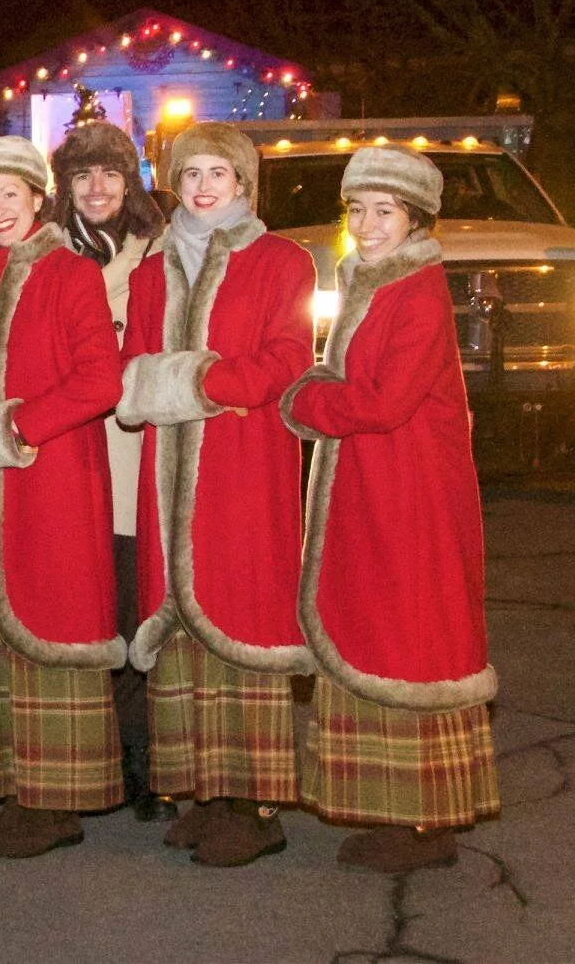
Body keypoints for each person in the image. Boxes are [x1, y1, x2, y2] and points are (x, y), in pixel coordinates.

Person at [281, 146, 499, 872]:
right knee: (381, 628)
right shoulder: (372, 280)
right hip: (375, 484)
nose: (366, 225)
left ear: (414, 221)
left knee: (407, 633)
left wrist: (304, 394)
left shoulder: (417, 289)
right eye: (357, 210)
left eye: (384, 212)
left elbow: (383, 401)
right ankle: (396, 809)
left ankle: (425, 820)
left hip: (408, 494)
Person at [115, 122, 316, 868]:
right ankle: (200, 789)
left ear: (243, 184)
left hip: (242, 467)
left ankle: (252, 804)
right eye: (189, 173)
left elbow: (286, 359)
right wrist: (163, 385)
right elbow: (130, 368)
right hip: (166, 473)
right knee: (178, 626)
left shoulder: (280, 261)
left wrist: (193, 382)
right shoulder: (151, 269)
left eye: (217, 175)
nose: (201, 187)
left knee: (243, 615)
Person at [0, 137, 126, 857]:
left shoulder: (70, 274)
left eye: (8, 196)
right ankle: (11, 782)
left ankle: (58, 799)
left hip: (49, 476)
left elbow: (98, 382)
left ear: (36, 198)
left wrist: (12, 426)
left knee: (52, 618)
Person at [48, 121, 171, 819]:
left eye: (109, 175)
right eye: (81, 176)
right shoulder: (48, 256)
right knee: (78, 614)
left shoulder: (155, 255)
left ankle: (141, 762)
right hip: (63, 457)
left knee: (130, 611)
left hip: (125, 455)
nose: (95, 189)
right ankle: (81, 762)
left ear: (129, 184)